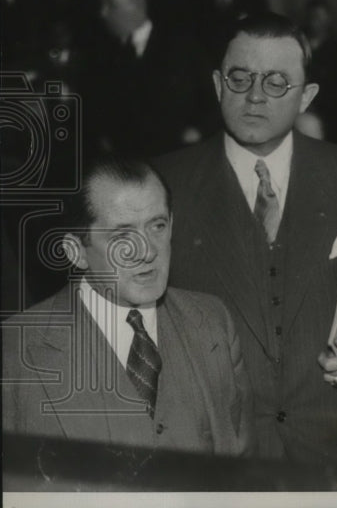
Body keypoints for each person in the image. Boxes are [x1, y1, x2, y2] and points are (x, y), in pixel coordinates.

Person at [154, 12, 337, 465]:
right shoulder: (166, 183)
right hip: (215, 451)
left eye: (277, 82)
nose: (256, 96)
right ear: (218, 85)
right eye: (240, 78)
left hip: (335, 450)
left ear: (307, 97)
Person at [2, 157, 253, 455]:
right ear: (76, 251)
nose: (147, 251)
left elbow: (243, 465)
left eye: (157, 226)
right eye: (122, 235)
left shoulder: (213, 322)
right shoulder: (16, 349)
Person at [85, 0, 214, 156]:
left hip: (177, 156)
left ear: (137, 5)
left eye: (111, 5)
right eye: (102, 6)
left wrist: (197, 131)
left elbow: (212, 99)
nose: (103, 13)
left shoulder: (181, 46)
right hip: (126, 163)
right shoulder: (101, 55)